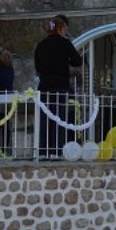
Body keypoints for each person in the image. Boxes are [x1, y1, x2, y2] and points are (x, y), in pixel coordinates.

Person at [34, 16, 82, 158]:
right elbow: (77, 60)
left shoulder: (41, 45)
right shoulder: (64, 43)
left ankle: (43, 151)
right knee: (59, 119)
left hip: (44, 87)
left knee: (45, 120)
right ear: (61, 28)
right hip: (60, 86)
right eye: (65, 29)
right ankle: (57, 151)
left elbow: (37, 67)